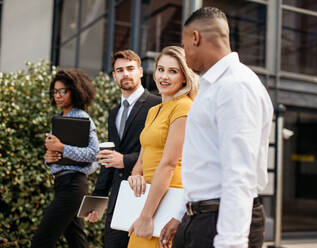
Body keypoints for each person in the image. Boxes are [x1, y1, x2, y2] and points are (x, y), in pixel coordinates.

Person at [159, 7, 274, 248]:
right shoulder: (211, 87)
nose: (185, 54)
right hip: (200, 218)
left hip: (222, 223)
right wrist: (181, 214)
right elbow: (203, 164)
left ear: (196, 38)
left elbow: (239, 173)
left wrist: (230, 243)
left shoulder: (237, 86)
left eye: (185, 44)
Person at [121, 46, 198, 248]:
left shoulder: (184, 106)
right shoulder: (153, 110)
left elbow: (169, 164)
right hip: (146, 197)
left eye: (173, 71)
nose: (164, 76)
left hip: (167, 198)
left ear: (184, 77)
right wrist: (135, 174)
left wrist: (146, 217)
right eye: (161, 69)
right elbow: (142, 157)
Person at [85, 50, 161, 248]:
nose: (125, 74)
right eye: (120, 70)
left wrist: (125, 160)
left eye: (130, 69)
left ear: (141, 71)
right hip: (118, 201)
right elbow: (109, 159)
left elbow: (161, 151)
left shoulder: (157, 104)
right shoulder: (114, 113)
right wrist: (97, 200)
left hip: (147, 196)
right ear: (114, 76)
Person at [31, 69, 99, 248]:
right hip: (62, 184)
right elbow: (54, 159)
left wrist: (61, 148)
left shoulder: (83, 118)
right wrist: (49, 157)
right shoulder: (58, 119)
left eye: (63, 91)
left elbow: (94, 153)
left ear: (75, 91)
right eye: (55, 92)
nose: (58, 95)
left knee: (41, 240)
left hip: (73, 186)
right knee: (77, 241)